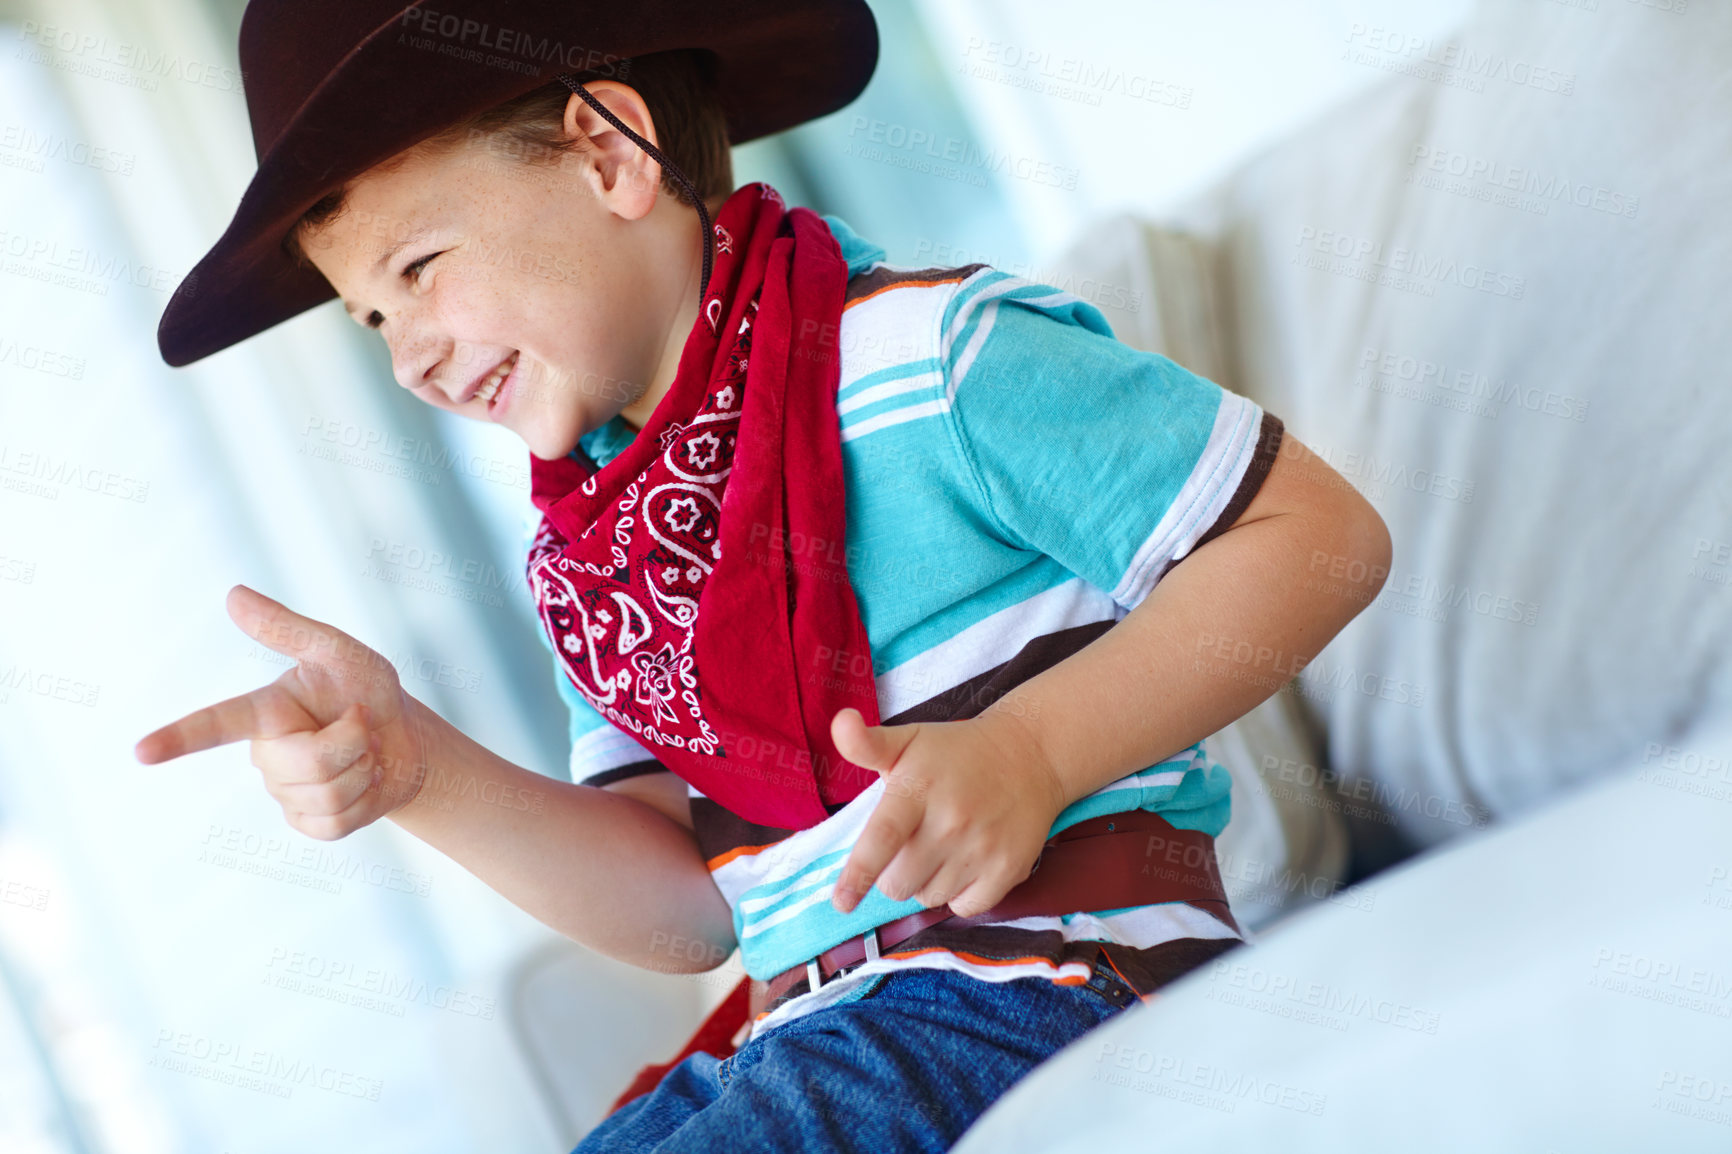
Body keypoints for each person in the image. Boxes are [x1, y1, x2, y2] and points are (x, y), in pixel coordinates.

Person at [135, 3, 1392, 1150]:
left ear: (608, 153)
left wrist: (1035, 750)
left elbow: (1316, 534)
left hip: (1049, 977)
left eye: (416, 272)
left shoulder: (930, 357)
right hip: (813, 1024)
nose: (407, 359)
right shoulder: (598, 559)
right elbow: (692, 916)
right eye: (370, 320)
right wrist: (417, 767)